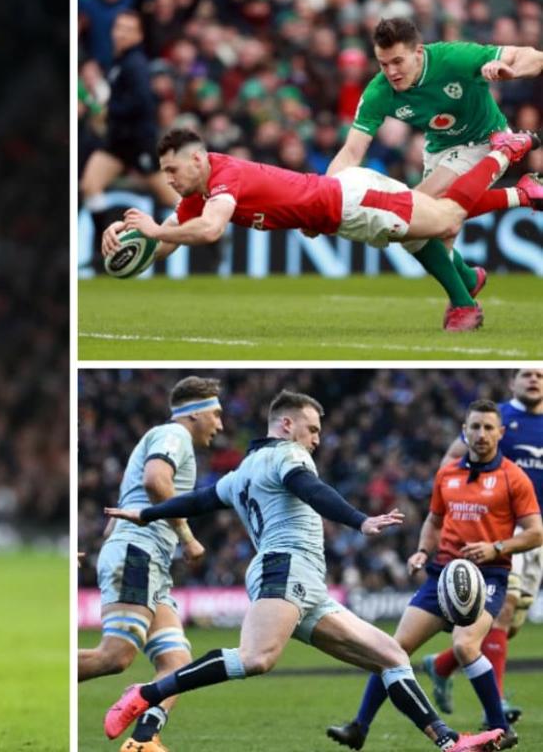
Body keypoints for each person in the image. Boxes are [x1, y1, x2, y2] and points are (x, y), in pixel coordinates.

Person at [102, 390, 504, 752]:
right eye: (312, 429)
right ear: (286, 424)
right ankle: (148, 693)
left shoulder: (241, 472)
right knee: (256, 658)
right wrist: (359, 519)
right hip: (284, 566)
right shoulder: (288, 456)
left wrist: (147, 513)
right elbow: (311, 490)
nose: (316, 439)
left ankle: (449, 743)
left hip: (306, 582)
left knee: (391, 655)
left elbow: (198, 501)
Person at [102, 126, 540, 331]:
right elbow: (162, 246)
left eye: (172, 170)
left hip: (351, 203)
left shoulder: (222, 177)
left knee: (445, 219)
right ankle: (471, 275)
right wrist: (128, 240)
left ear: (197, 159)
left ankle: (505, 152)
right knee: (422, 235)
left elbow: (211, 230)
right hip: (342, 204)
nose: (169, 180)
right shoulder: (197, 191)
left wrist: (157, 232)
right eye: (164, 173)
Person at [327, 400, 542, 751]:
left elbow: (536, 532)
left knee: (464, 644)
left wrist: (496, 548)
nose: (481, 434)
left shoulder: (513, 477)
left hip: (488, 576)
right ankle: (359, 727)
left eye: (489, 428)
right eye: (475, 427)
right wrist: (422, 551)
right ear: (464, 431)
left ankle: (501, 728)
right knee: (392, 650)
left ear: (501, 433)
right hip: (442, 575)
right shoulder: (448, 474)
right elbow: (435, 521)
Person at [325, 17, 543, 328]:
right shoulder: (378, 91)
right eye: (383, 64)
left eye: (398, 61)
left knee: (409, 215)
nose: (391, 72)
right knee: (424, 232)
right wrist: (323, 196)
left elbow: (535, 57)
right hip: (439, 150)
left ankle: (464, 306)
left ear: (418, 52)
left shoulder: (454, 58)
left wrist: (511, 70)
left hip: (486, 142)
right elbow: (350, 153)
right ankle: (470, 273)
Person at [80, 376, 223, 751]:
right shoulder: (173, 437)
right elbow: (156, 481)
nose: (220, 425)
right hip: (139, 554)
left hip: (146, 559)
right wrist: (188, 539)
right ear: (194, 415)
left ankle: (143, 740)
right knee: (114, 657)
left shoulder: (161, 438)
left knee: (177, 663)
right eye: (215, 414)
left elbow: (118, 514)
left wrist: (109, 548)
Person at [421, 370, 543, 726]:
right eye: (526, 375)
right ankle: (497, 706)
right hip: (504, 528)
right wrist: (462, 501)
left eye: (540, 374)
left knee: (511, 623)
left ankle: (442, 664)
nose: (534, 379)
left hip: (536, 531)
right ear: (512, 384)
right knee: (503, 608)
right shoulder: (495, 420)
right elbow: (451, 462)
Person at [80, 11, 178, 232]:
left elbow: (142, 102)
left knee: (169, 196)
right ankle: (100, 246)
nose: (121, 34)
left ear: (139, 36)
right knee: (90, 185)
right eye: (119, 28)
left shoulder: (136, 64)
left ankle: (212, 238)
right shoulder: (119, 62)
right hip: (117, 143)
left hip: (138, 141)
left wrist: (110, 110)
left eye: (128, 29)